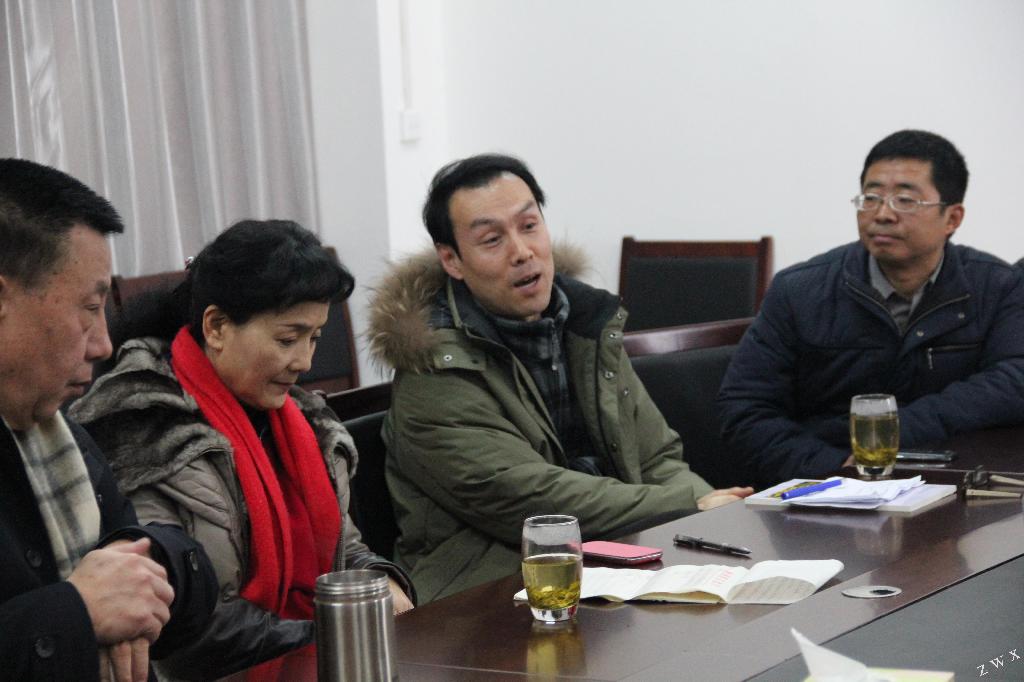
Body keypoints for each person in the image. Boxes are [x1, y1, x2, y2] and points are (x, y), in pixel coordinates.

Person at [368, 153, 752, 602]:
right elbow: (535, 501)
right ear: (452, 260)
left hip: (610, 562)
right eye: (492, 239)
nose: (522, 252)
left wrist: (714, 523)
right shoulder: (433, 371)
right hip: (487, 594)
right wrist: (688, 506)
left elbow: (656, 458)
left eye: (529, 226)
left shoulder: (586, 326)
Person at [70, 220, 415, 679]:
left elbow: (343, 548)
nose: (305, 362)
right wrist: (335, 632)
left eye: (314, 337)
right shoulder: (146, 428)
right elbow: (184, 624)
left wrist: (381, 582)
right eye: (287, 339)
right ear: (216, 326)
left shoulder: (302, 423)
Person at [0, 158, 217, 682]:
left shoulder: (55, 432)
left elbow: (187, 592)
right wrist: (78, 612)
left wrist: (142, 563)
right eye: (89, 308)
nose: (103, 344)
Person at [718, 130, 1024, 486]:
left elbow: (1014, 381)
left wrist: (887, 432)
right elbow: (745, 408)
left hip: (955, 481)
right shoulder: (799, 291)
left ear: (952, 218)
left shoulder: (996, 286)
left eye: (905, 200)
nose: (882, 214)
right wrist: (836, 469)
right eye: (871, 197)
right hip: (824, 485)